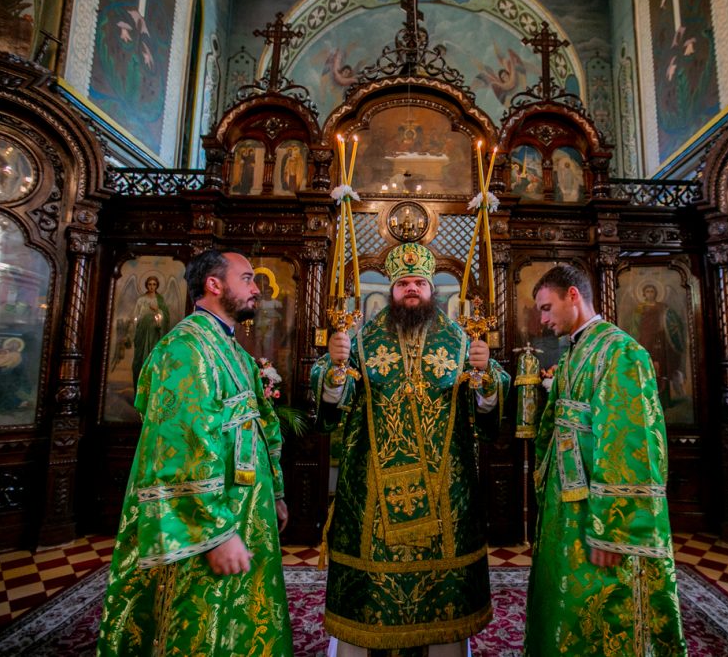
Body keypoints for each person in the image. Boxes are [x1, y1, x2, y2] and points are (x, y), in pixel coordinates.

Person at [310, 242, 510, 655]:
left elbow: (488, 407)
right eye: (404, 283)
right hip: (373, 492)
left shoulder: (461, 342)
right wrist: (334, 369)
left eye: (420, 282)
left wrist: (486, 377)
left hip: (444, 493)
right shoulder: (360, 341)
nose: (413, 289)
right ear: (392, 290)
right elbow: (332, 399)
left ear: (432, 289)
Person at [97, 249, 293, 656]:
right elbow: (182, 447)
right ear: (213, 284)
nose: (256, 289)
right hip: (207, 519)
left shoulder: (233, 350)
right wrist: (213, 532)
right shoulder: (185, 349)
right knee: (194, 620)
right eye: (247, 278)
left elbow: (262, 424)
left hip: (243, 508)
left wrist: (274, 492)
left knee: (237, 615)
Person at [524, 265, 686, 656]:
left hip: (597, 514)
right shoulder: (577, 349)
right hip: (569, 507)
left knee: (609, 609)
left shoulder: (620, 351)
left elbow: (630, 443)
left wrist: (613, 528)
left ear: (573, 296)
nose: (543, 320)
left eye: (546, 308)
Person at [130, 274, 171, 386]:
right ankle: (139, 386)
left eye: (154, 284)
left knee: (152, 358)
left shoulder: (160, 300)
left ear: (157, 286)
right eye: (149, 284)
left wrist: (158, 310)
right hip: (142, 332)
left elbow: (166, 317)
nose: (152, 287)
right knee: (140, 359)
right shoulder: (141, 300)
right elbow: (135, 316)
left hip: (155, 333)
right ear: (146, 285)